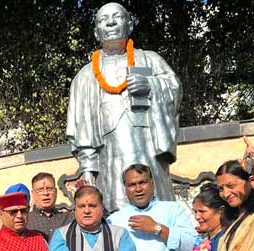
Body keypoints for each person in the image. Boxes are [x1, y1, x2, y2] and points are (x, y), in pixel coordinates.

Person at [66, 2, 182, 213]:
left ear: (129, 24)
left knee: (158, 210)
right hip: (109, 158)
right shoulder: (85, 76)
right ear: (95, 31)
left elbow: (175, 89)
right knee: (116, 214)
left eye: (116, 17)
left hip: (147, 151)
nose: (110, 22)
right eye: (103, 19)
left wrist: (152, 85)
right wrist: (88, 169)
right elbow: (79, 131)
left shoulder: (150, 60)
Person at [27, 172, 74, 241]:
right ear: (33, 194)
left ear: (55, 192)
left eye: (49, 189)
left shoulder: (69, 218)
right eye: (40, 190)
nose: (46, 193)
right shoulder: (26, 222)